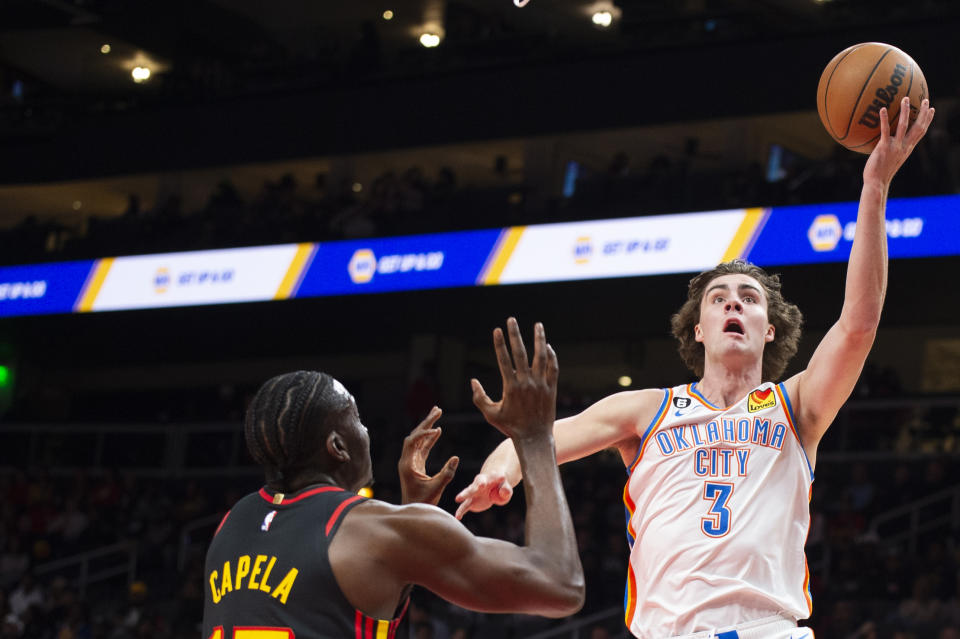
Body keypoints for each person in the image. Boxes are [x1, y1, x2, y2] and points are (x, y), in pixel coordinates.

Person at [455, 97, 935, 639]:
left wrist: (874, 189)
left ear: (769, 329)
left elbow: (858, 324)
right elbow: (541, 438)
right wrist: (500, 472)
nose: (734, 304)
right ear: (699, 328)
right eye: (719, 298)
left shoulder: (796, 406)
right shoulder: (647, 409)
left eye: (749, 299)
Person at [202, 318, 584, 639]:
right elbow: (560, 586)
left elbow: (328, 600)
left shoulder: (230, 525)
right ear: (338, 446)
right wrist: (534, 438)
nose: (366, 432)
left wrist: (412, 513)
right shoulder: (377, 531)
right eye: (358, 421)